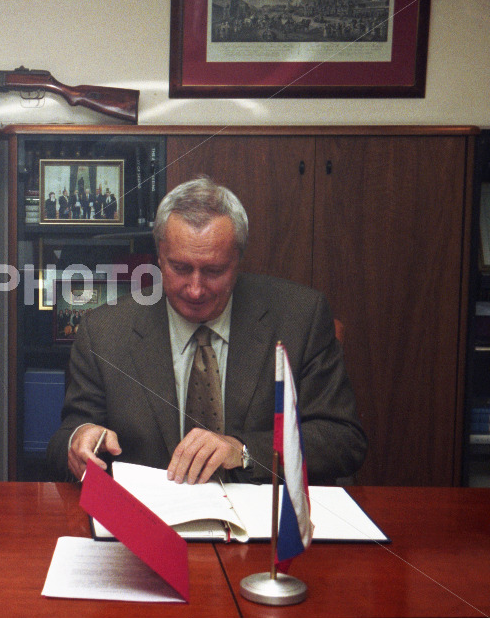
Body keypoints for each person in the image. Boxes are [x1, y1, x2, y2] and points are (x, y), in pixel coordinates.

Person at [47, 176, 366, 486]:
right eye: (180, 268)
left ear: (238, 259)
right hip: (151, 524)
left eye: (213, 271)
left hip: (259, 526)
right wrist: (80, 439)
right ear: (159, 256)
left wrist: (243, 451)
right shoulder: (104, 332)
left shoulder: (300, 318)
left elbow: (343, 440)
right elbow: (65, 438)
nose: (195, 289)